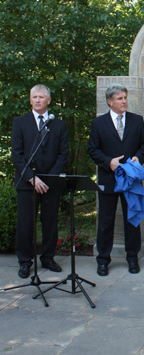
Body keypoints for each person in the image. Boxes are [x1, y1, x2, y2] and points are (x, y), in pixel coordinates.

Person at [88, 84, 144, 276]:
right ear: (110, 101)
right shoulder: (98, 123)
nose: (124, 101)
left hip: (131, 180)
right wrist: (109, 163)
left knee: (132, 219)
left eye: (125, 97)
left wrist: (138, 158)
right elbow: (93, 150)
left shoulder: (137, 121)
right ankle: (103, 260)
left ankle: (132, 258)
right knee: (106, 221)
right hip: (108, 179)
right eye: (119, 98)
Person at [11, 84, 68, 279]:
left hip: (50, 183)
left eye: (41, 97)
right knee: (26, 223)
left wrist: (49, 178)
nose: (37, 100)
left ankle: (48, 258)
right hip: (27, 183)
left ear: (48, 100)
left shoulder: (58, 125)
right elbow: (16, 154)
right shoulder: (20, 122)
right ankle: (25, 261)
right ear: (30, 100)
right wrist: (32, 178)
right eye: (34, 97)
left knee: (50, 222)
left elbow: (63, 155)